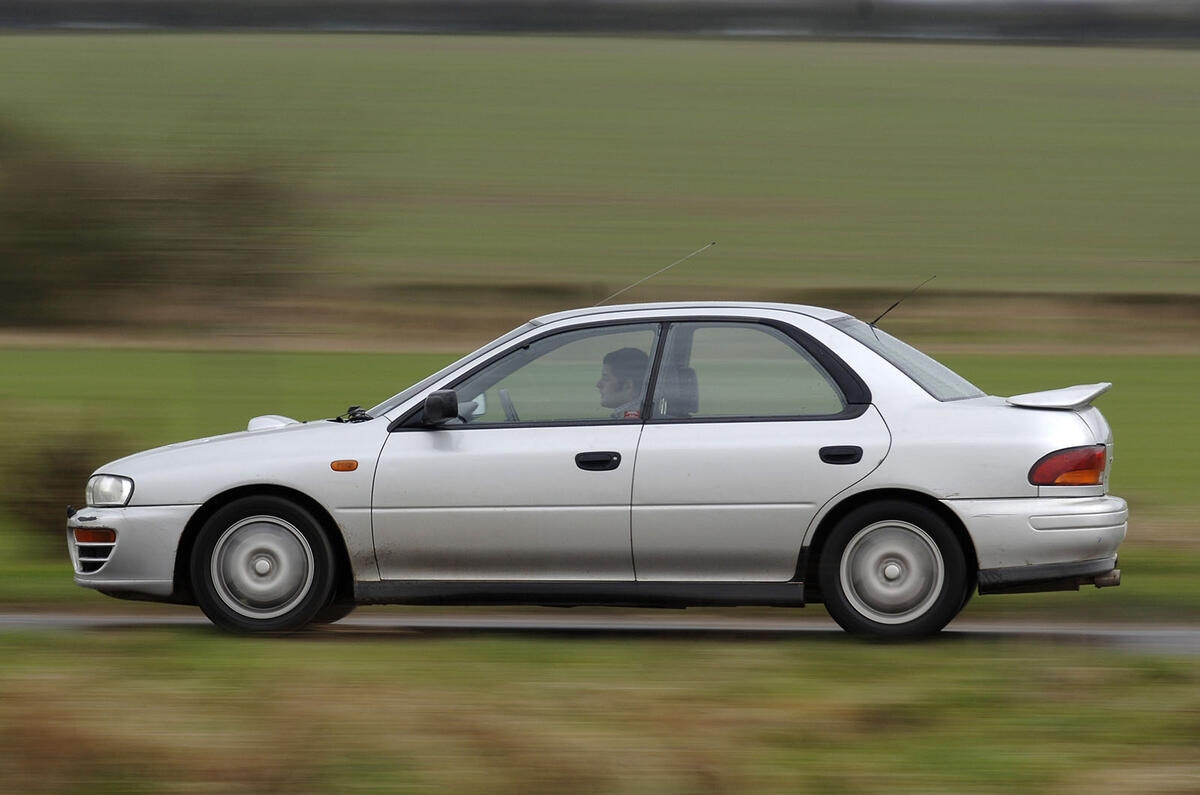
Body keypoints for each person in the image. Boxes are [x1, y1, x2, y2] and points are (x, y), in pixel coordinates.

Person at [597, 347, 649, 419]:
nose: (598, 385)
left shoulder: (627, 423)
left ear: (628, 386)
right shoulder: (644, 417)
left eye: (606, 378)